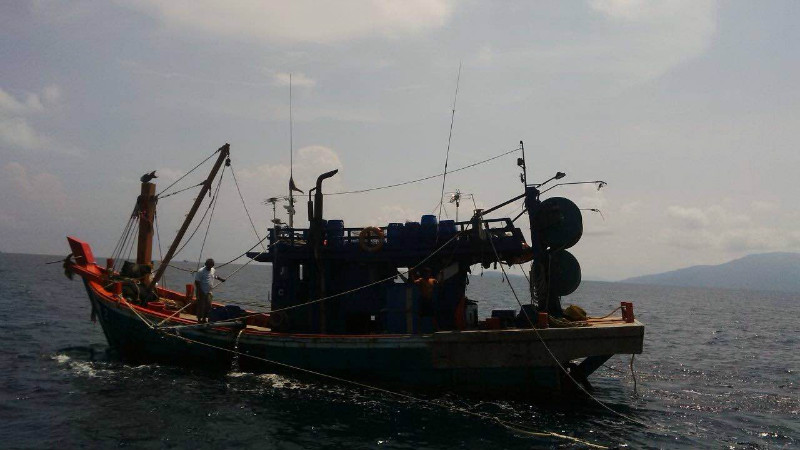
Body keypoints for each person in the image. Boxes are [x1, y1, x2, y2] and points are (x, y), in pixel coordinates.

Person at [194, 258, 225, 323]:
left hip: (209, 292)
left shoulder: (213, 270)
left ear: (212, 265)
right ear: (206, 264)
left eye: (211, 265)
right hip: (201, 292)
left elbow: (214, 276)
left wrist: (221, 279)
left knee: (208, 306)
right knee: (201, 306)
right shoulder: (201, 271)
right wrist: (200, 292)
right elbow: (197, 282)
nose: (209, 267)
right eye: (208, 265)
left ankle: (204, 319)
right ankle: (199, 320)